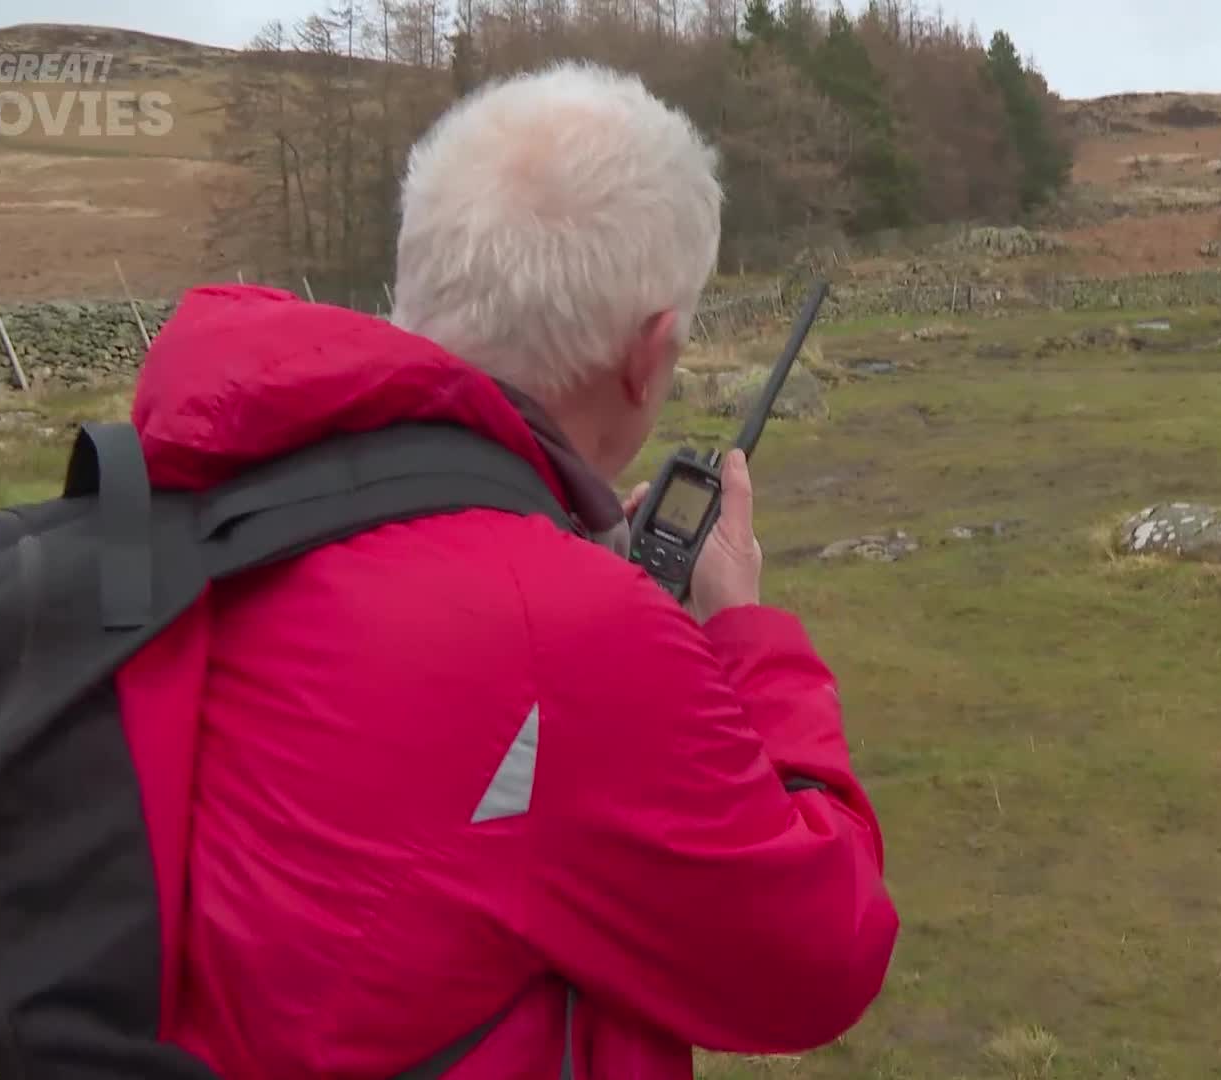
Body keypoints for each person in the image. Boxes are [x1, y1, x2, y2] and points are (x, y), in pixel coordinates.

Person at [138, 61, 899, 1077]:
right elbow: (823, 954)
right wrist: (741, 636)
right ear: (650, 353)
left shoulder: (204, 490)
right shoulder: (574, 638)